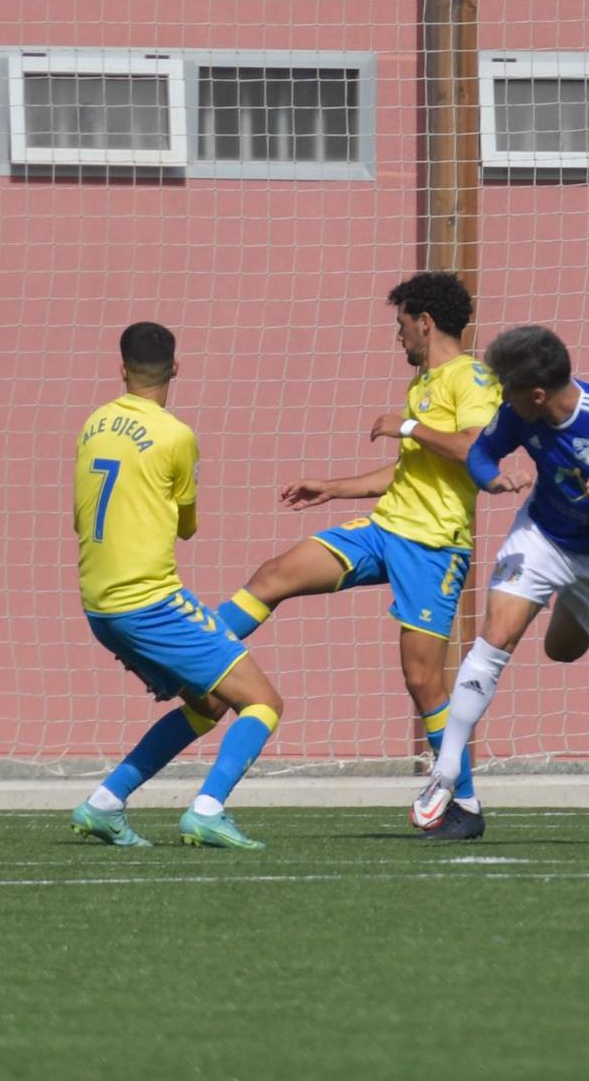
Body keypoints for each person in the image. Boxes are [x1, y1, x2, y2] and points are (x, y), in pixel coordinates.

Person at [212, 272, 501, 840]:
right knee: (275, 574)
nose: (398, 338)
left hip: (433, 548)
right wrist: (334, 487)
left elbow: (475, 452)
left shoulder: (472, 377)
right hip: (385, 528)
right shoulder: (424, 383)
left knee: (423, 682)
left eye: (401, 326)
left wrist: (409, 426)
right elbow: (412, 469)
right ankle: (195, 655)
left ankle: (463, 802)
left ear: (425, 322)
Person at [411, 325, 589, 831]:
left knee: (561, 651)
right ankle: (447, 770)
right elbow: (481, 453)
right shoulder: (518, 416)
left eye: (507, 390)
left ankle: (567, 601)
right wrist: (490, 477)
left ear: (536, 394)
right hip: (540, 537)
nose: (500, 399)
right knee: (495, 636)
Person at [68, 323, 284, 851]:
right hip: (149, 603)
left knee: (206, 705)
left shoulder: (94, 423)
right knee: (262, 702)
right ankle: (207, 811)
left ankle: (103, 803)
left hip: (99, 606)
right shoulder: (175, 435)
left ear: (121, 369)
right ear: (176, 368)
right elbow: (187, 526)